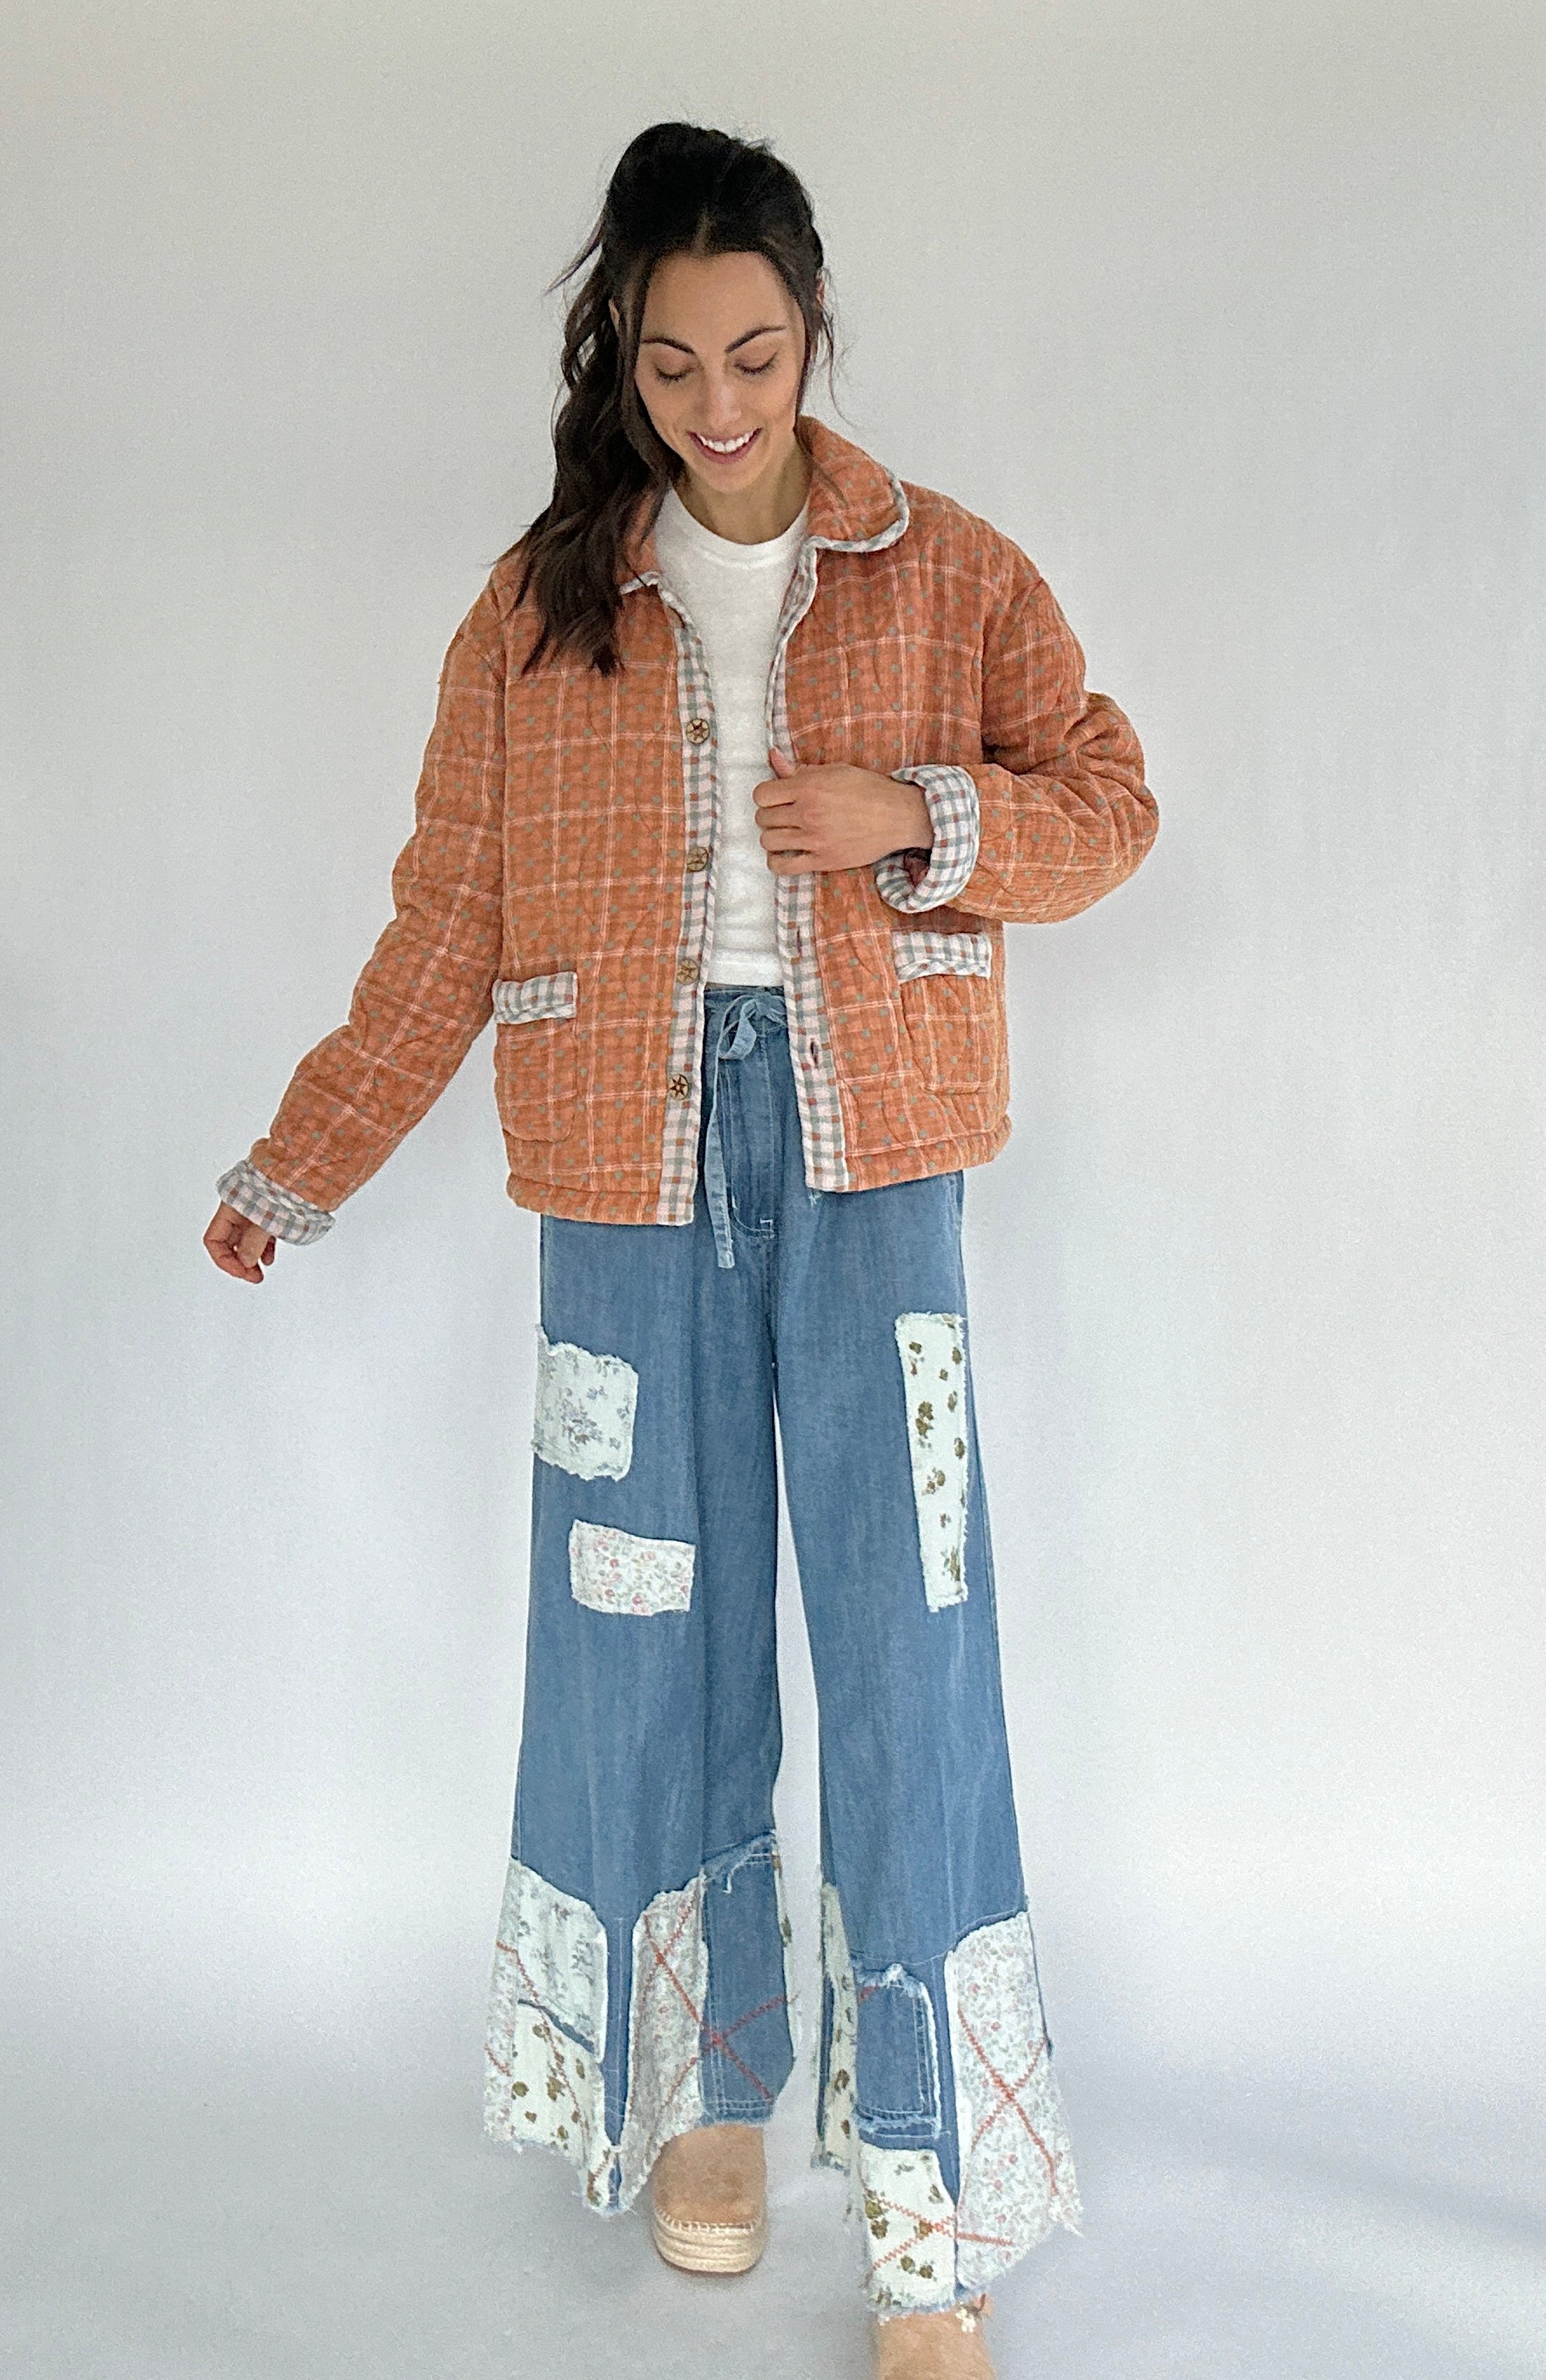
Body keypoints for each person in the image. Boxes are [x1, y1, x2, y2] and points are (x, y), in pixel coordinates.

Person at [203, 118, 1157, 2380]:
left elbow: (1109, 802)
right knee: (647, 1636)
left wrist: (914, 821)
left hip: (875, 1160)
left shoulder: (956, 573)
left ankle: (932, 2220)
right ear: (618, 367)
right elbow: (450, 923)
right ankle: (707, 2100)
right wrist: (300, 1159)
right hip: (619, 1175)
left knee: (912, 1654)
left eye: (754, 351)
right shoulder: (537, 613)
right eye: (672, 362)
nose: (718, 402)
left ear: (814, 335)